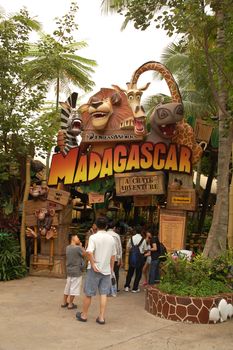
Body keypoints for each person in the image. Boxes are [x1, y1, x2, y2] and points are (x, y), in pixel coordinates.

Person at [76, 216, 116, 325]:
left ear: (96, 226)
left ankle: (84, 315)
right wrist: (111, 269)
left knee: (89, 293)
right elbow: (113, 256)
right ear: (106, 226)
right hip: (106, 270)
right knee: (103, 294)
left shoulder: (93, 237)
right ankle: (101, 317)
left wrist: (93, 264)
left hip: (94, 270)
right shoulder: (111, 238)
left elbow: (89, 252)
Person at [61, 233, 86, 310]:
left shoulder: (67, 247)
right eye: (77, 237)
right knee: (74, 288)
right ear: (73, 239)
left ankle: (64, 302)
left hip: (69, 270)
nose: (78, 238)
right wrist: (81, 246)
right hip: (77, 271)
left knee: (67, 287)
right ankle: (70, 304)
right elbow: (85, 254)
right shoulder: (77, 248)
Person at [124, 226, 147, 293]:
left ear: (135, 231)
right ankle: (135, 288)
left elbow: (128, 247)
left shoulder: (131, 238)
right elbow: (145, 249)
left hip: (132, 257)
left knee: (130, 272)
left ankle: (127, 286)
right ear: (141, 232)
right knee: (138, 273)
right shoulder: (143, 240)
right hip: (140, 258)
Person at [107, 220, 123, 292]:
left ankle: (106, 288)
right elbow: (119, 248)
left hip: (106, 258)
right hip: (115, 258)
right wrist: (120, 259)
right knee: (115, 273)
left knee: (106, 273)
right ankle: (114, 288)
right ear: (114, 227)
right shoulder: (116, 236)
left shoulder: (105, 234)